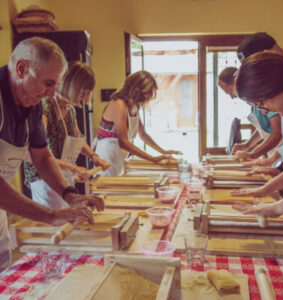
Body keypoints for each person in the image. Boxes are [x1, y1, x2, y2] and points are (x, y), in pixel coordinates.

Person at [0, 37, 104, 271]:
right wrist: (50, 215)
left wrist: (69, 194)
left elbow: (43, 156)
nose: (50, 94)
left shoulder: (32, 105)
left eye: (54, 86)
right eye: (48, 83)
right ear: (21, 68)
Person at [23, 61, 110, 210]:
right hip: (44, 179)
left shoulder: (69, 109)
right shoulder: (44, 108)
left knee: (68, 217)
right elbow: (33, 155)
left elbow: (77, 139)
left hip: (64, 174)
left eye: (87, 94)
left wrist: (94, 156)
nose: (83, 97)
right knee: (56, 223)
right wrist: (73, 168)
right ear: (70, 86)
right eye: (82, 92)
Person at [231, 52, 283, 200]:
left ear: (272, 86)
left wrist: (276, 207)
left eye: (261, 103)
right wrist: (266, 188)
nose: (265, 111)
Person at [94, 70, 181, 176]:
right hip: (106, 160)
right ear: (138, 91)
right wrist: (152, 159)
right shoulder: (118, 104)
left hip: (119, 160)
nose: (146, 100)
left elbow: (143, 134)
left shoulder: (133, 106)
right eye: (146, 95)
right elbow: (123, 142)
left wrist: (163, 152)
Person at [218, 67, 282, 160]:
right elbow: (264, 130)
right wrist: (246, 145)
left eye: (230, 92)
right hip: (275, 153)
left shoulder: (265, 97)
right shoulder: (253, 103)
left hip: (281, 150)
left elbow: (277, 132)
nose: (232, 97)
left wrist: (253, 154)